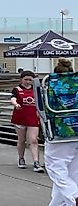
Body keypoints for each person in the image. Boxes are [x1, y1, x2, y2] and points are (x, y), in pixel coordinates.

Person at [45, 59, 78, 206]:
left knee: (55, 166)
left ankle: (73, 196)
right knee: (73, 170)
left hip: (59, 130)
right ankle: (59, 203)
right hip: (77, 128)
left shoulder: (50, 84)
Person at [11, 70, 44, 172]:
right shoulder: (17, 89)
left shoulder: (36, 90)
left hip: (33, 117)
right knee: (21, 140)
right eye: (26, 79)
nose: (28, 82)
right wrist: (16, 104)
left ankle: (36, 162)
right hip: (20, 117)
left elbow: (41, 101)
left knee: (33, 140)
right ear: (21, 79)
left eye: (30, 80)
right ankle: (21, 158)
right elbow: (13, 98)